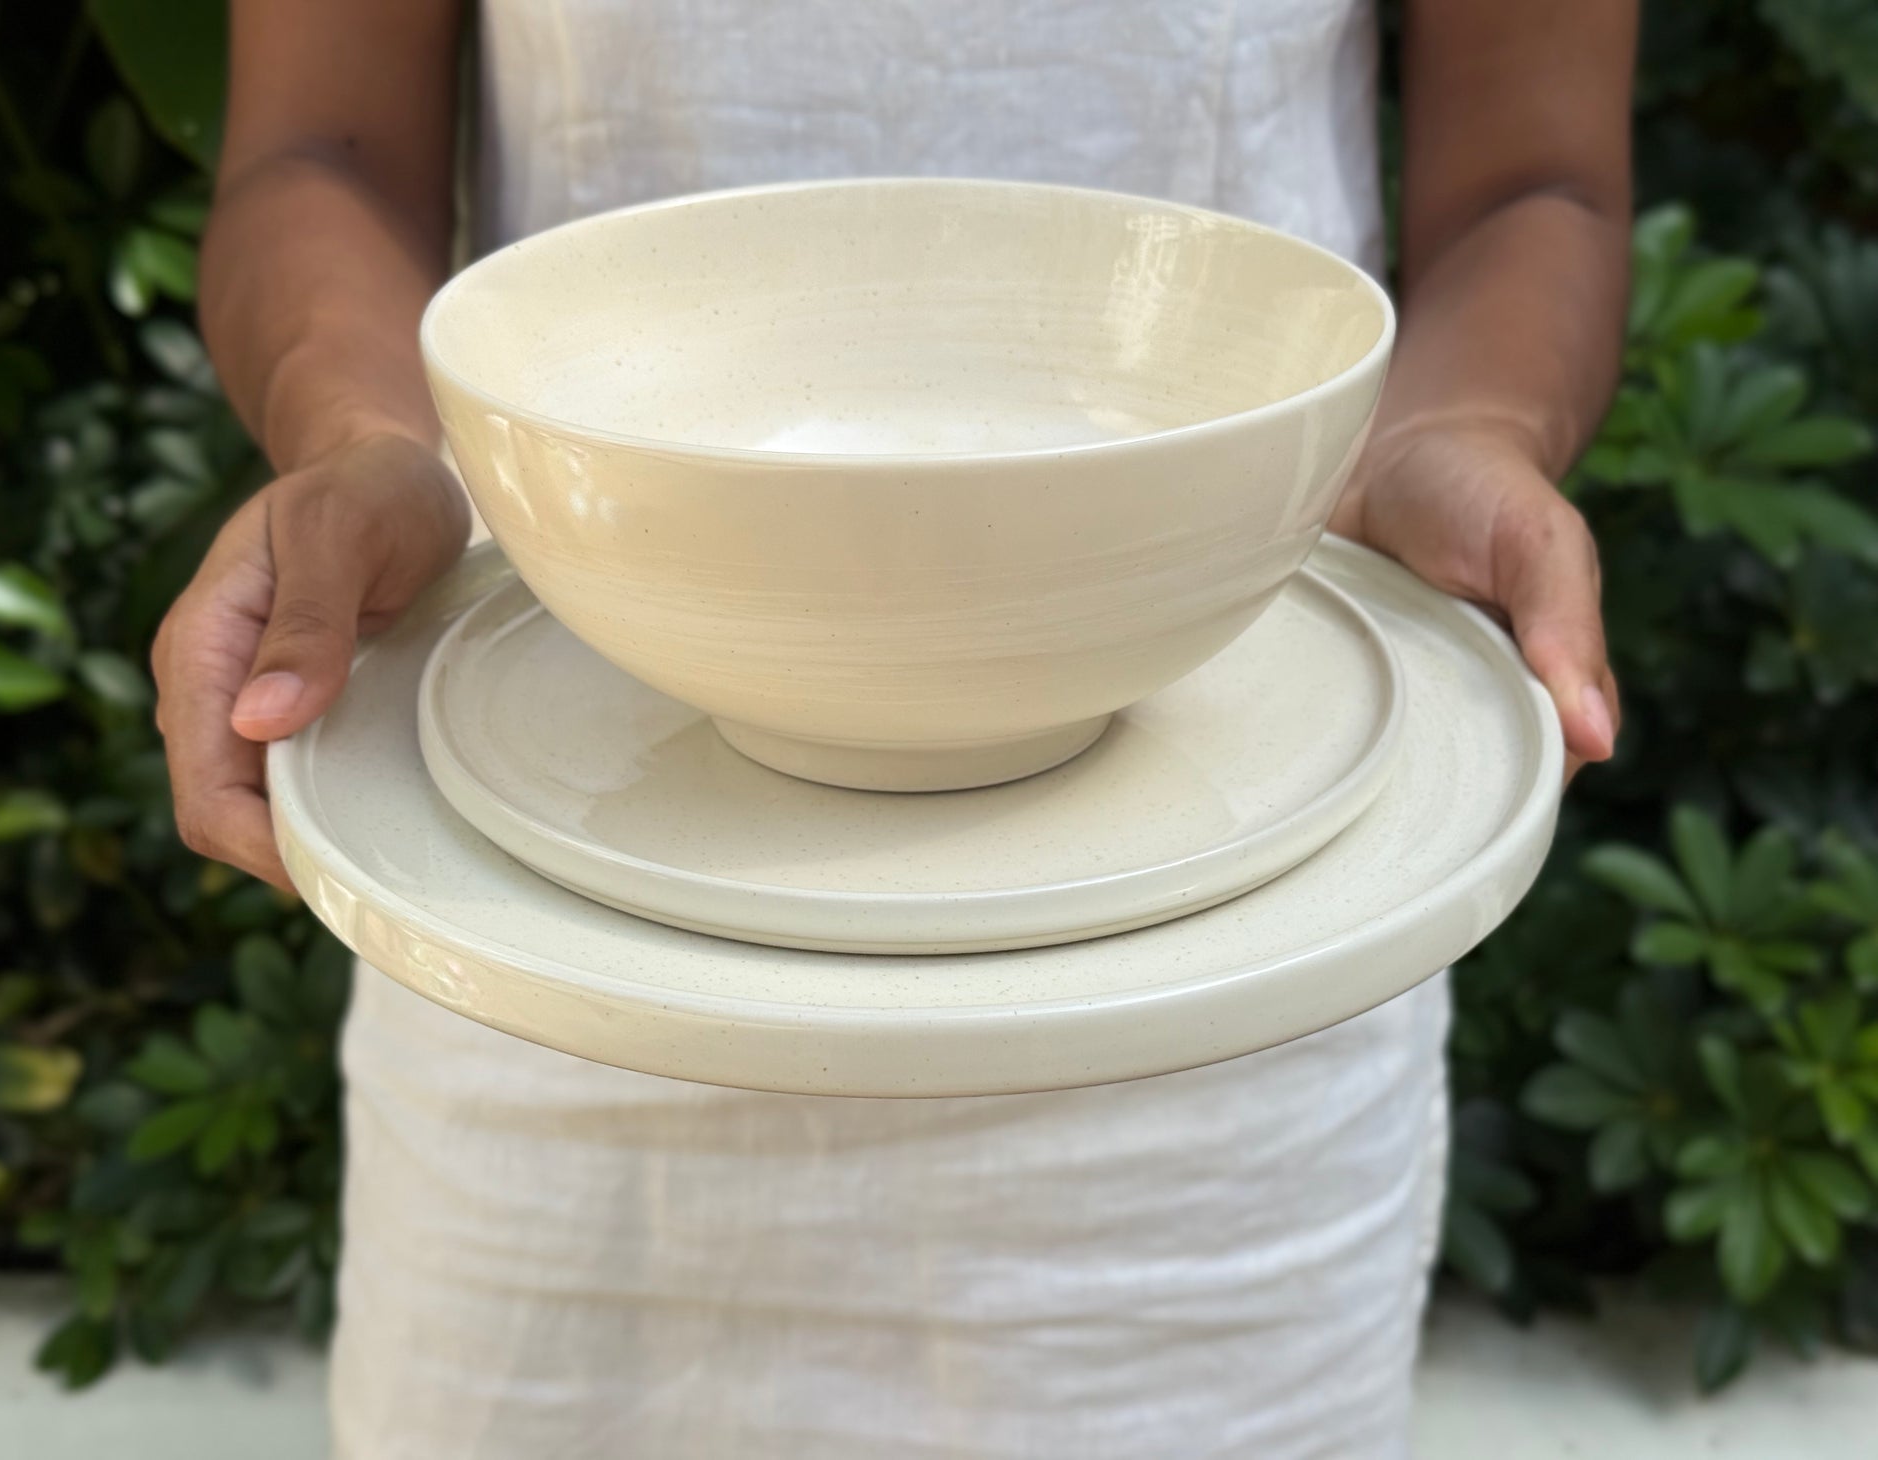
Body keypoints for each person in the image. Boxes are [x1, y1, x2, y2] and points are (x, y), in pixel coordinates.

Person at [153, 2, 1633, 1454]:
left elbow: (1531, 183)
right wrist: (367, 443)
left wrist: (1456, 428)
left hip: (1237, 1032)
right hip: (551, 1013)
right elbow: (321, 153)